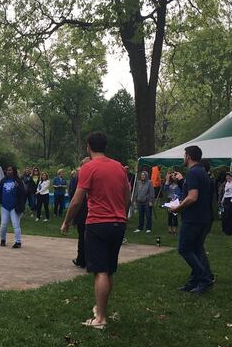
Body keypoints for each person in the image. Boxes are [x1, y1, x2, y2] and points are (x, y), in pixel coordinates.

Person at [61, 132, 130, 330]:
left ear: (88, 147)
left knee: (100, 271)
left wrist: (67, 221)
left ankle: (100, 319)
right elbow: (127, 198)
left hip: (97, 224)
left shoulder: (88, 167)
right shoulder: (119, 167)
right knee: (108, 270)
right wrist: (121, 215)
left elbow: (76, 200)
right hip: (118, 224)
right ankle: (101, 309)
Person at [169, 145, 214, 294]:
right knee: (196, 249)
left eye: (184, 155)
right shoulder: (202, 172)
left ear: (188, 156)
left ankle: (204, 279)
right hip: (204, 217)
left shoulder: (194, 173)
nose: (183, 158)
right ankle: (195, 281)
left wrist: (177, 208)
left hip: (194, 218)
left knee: (184, 249)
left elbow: (193, 197)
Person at [0, 165, 27, 248]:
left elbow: (24, 192)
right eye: (7, 170)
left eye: (10, 170)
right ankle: (3, 240)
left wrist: (18, 187)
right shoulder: (3, 180)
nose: (8, 171)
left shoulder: (18, 180)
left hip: (15, 207)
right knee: (3, 225)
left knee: (15, 224)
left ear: (14, 171)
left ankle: (18, 242)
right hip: (5, 206)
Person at [70, 159, 91, 268]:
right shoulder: (78, 178)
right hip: (85, 211)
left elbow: (73, 195)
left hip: (85, 211)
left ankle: (82, 260)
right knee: (85, 236)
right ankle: (83, 259)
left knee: (83, 237)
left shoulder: (78, 178)